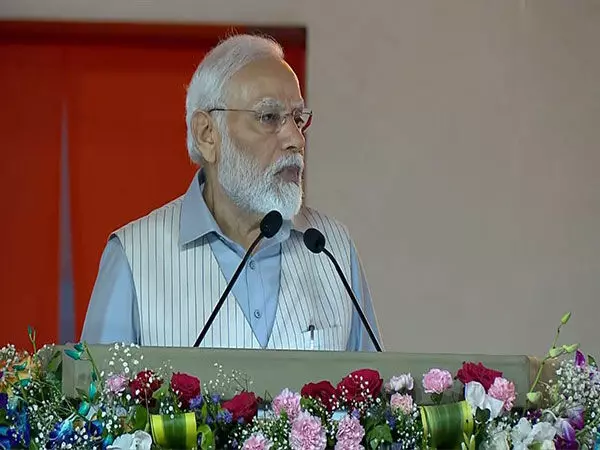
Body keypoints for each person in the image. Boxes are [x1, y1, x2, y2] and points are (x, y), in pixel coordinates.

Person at [81, 34, 381, 351]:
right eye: (269, 117)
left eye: (297, 119)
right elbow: (96, 383)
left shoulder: (333, 249)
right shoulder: (133, 255)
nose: (296, 139)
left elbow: (374, 381)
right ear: (207, 134)